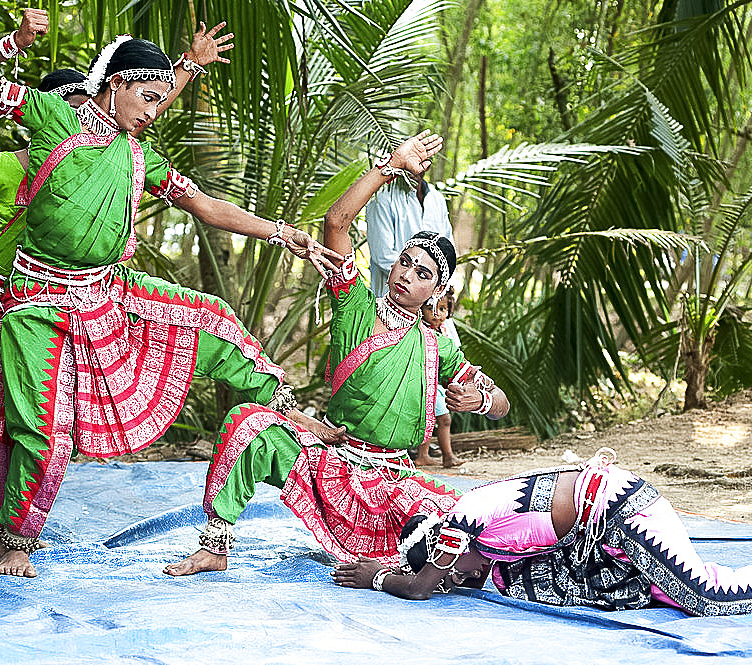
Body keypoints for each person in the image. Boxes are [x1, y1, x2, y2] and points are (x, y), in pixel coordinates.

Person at [0, 10, 341, 577]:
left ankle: (287, 409)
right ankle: (15, 539)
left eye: (162, 99)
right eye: (149, 99)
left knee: (210, 318)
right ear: (115, 87)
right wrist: (15, 41)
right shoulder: (54, 114)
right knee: (44, 435)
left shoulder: (138, 154)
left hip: (112, 293)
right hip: (38, 303)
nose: (156, 111)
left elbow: (204, 205)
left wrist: (285, 234)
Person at [0, 28, 227, 562]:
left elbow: (142, 107)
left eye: (83, 104)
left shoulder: (114, 148)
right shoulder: (1, 168)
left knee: (41, 427)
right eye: (68, 107)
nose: (81, 117)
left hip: (59, 299)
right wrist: (14, 41)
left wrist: (189, 66)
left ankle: (17, 525)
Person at [164, 132, 509, 577]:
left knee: (465, 538)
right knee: (249, 424)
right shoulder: (355, 304)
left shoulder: (436, 344)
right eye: (404, 261)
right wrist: (392, 166)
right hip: (332, 460)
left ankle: (388, 568)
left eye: (422, 273)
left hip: (393, 481)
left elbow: (498, 403)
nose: (405, 274)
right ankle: (214, 547)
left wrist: (480, 401)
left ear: (436, 291)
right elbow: (337, 224)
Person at [332, 448, 752, 614]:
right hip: (592, 535)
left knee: (703, 597)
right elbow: (443, 578)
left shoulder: (461, 521)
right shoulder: (472, 542)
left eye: (453, 574)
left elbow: (421, 587)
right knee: (534, 584)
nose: (458, 580)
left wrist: (379, 579)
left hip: (623, 512)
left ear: (447, 554)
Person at [365, 167, 453, 298]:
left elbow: (448, 250)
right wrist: (424, 283)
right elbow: (383, 256)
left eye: (419, 160)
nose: (413, 167)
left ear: (428, 164)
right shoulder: (383, 200)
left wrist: (444, 289)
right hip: (390, 302)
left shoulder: (437, 199)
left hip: (430, 301)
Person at [414, 286, 462, 468]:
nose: (437, 314)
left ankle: (425, 455)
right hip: (424, 384)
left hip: (437, 384)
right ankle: (446, 456)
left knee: (433, 419)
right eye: (431, 309)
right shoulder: (420, 330)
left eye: (442, 309)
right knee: (443, 419)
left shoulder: (444, 329)